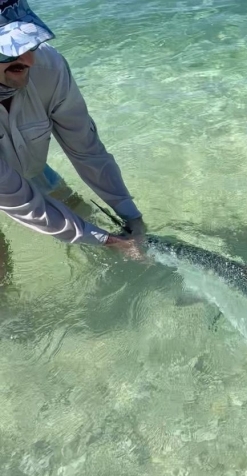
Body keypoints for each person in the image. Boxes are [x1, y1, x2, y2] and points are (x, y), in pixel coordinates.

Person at [0, 0, 144, 282]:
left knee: (92, 220)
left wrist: (132, 219)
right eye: (10, 50)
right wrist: (111, 242)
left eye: (30, 44)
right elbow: (23, 203)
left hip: (30, 169)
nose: (29, 60)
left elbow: (87, 150)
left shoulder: (48, 67)